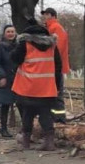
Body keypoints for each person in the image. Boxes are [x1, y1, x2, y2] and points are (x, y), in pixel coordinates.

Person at [10, 19, 62, 151]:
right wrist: (55, 83)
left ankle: (26, 141)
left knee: (28, 113)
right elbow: (58, 65)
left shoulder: (25, 44)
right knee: (45, 113)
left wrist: (14, 46)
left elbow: (14, 58)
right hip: (46, 87)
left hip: (28, 87)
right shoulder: (52, 46)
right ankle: (49, 142)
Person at [41, 7, 69, 124]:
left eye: (46, 14)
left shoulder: (55, 28)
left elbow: (58, 48)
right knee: (53, 93)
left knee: (57, 92)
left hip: (55, 67)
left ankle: (59, 118)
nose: (44, 17)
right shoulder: (51, 28)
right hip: (53, 67)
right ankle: (54, 117)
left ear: (52, 15)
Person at [0, 24, 18, 138]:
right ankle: (4, 129)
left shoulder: (19, 46)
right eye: (8, 31)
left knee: (21, 104)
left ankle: (25, 130)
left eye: (12, 31)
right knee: (5, 104)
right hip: (5, 79)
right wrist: (2, 76)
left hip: (18, 79)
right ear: (4, 34)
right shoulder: (0, 47)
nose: (11, 33)